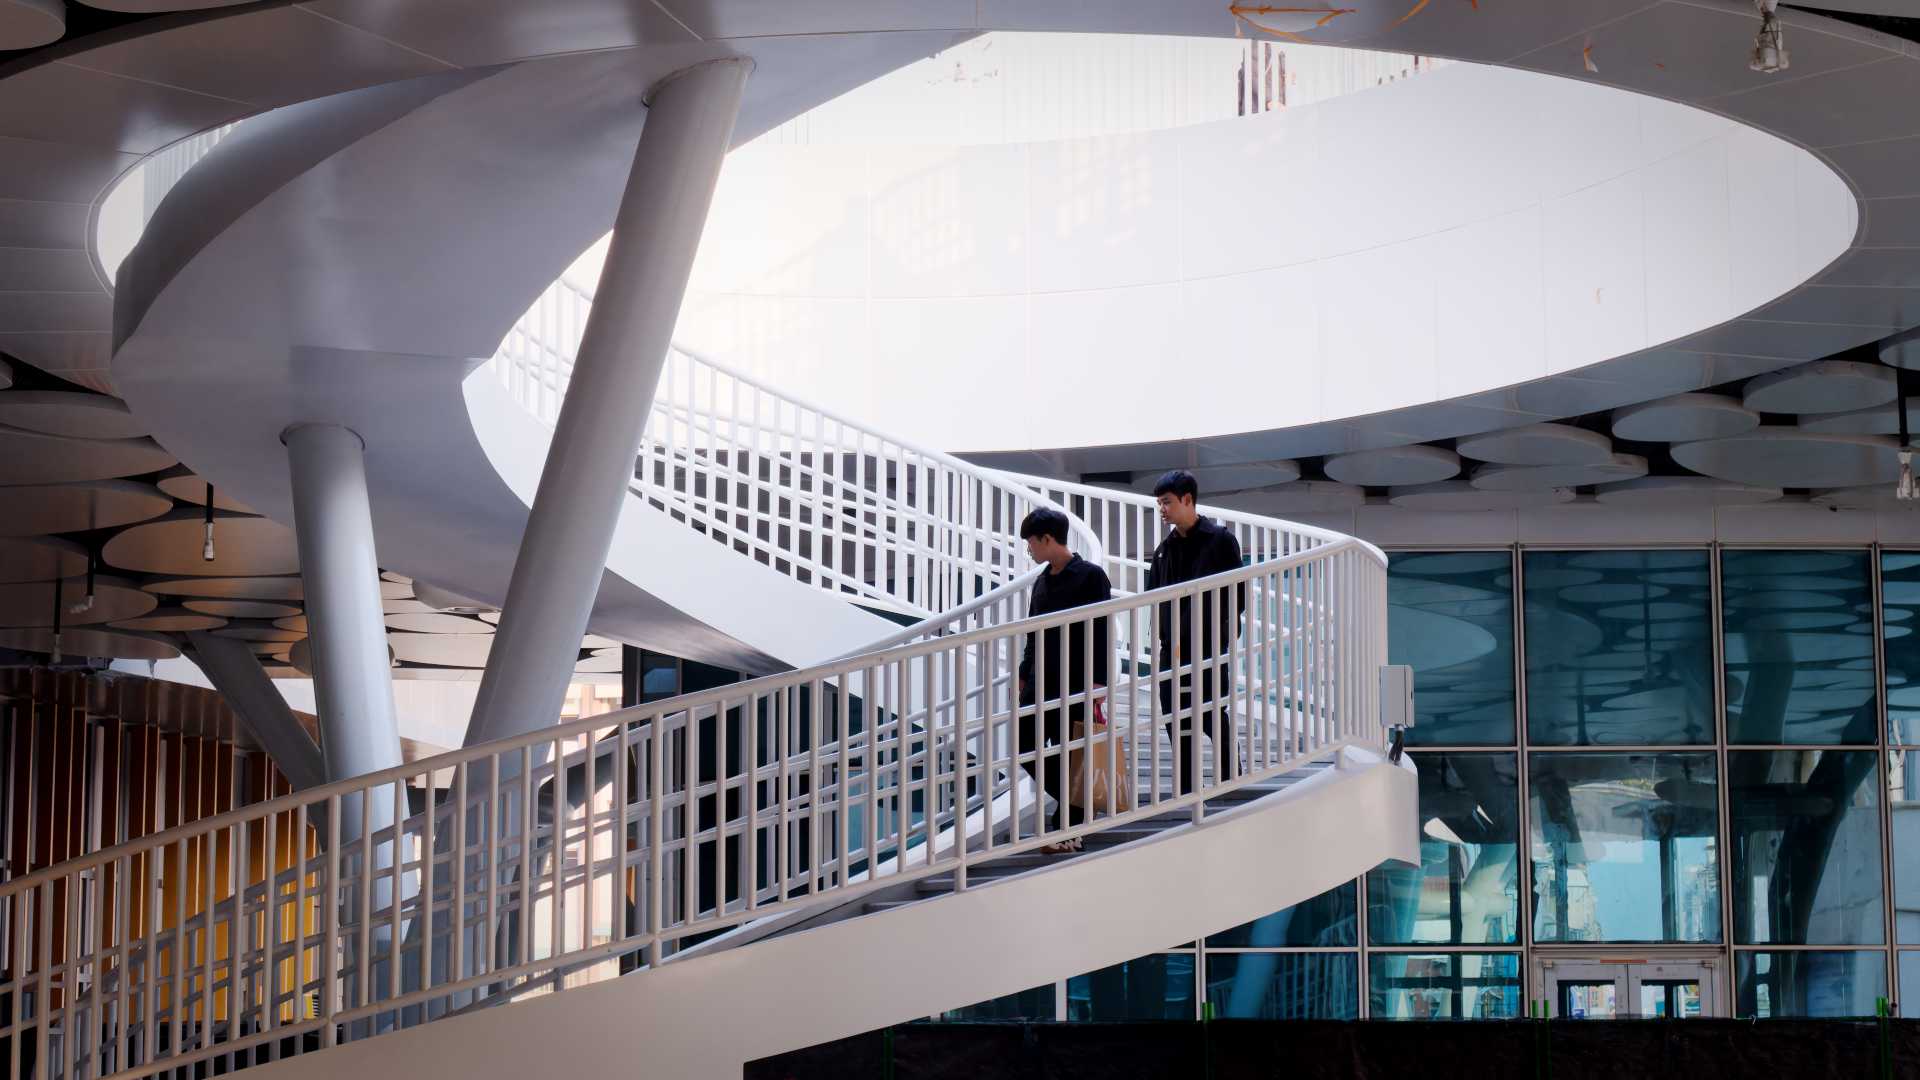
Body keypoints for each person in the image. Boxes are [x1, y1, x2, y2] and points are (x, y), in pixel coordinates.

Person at [1015, 507, 1112, 853]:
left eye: (1031, 545)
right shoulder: (1042, 580)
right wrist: (1024, 675)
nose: (1031, 552)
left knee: (1073, 753)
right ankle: (1079, 809)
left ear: (1046, 539)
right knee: (1025, 746)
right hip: (1041, 681)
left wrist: (1099, 682)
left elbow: (1101, 631)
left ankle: (1067, 829)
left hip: (1078, 681)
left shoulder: (1091, 576)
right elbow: (1032, 633)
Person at [1145, 469, 1244, 795]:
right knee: (1176, 719)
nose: (1162, 509)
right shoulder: (1164, 549)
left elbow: (1236, 595)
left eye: (1167, 502)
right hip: (1170, 650)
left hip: (1208, 647)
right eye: (1159, 503)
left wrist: (1219, 634)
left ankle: (1232, 781)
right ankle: (1188, 791)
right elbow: (1154, 600)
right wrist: (1165, 641)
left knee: (1214, 715)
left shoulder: (1220, 540)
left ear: (1187, 500)